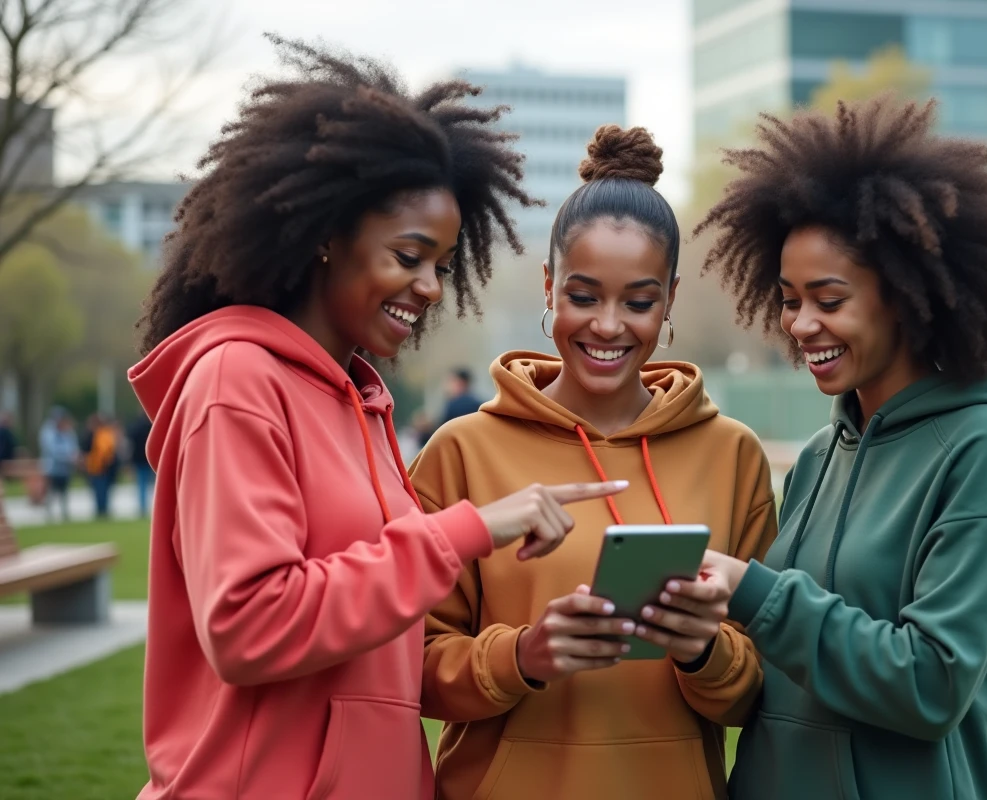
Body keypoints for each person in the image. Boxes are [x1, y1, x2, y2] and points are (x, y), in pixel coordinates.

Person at [126, 36, 627, 800]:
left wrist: (526, 649)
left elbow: (379, 664)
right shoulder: (236, 381)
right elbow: (249, 626)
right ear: (328, 236)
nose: (429, 287)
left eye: (442, 265)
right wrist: (466, 530)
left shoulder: (361, 400)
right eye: (409, 255)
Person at [692, 95, 987, 800]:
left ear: (904, 294)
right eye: (788, 298)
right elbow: (786, 671)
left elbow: (931, 684)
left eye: (828, 300)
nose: (800, 325)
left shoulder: (986, 445)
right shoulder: (815, 459)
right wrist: (705, 637)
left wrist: (755, 590)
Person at [413, 126, 778, 800]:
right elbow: (410, 673)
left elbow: (760, 695)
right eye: (584, 296)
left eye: (638, 302)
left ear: (669, 300)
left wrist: (703, 649)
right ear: (550, 288)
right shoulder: (460, 452)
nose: (609, 326)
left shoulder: (734, 455)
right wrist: (523, 656)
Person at [38, 407, 78, 522]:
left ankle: (64, 514)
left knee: (64, 492)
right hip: (52, 468)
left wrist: (73, 456)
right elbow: (51, 449)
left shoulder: (67, 430)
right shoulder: (47, 431)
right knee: (51, 491)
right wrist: (67, 457)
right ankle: (49, 515)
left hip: (65, 468)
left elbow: (72, 446)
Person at [81, 413, 120, 519]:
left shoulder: (99, 434)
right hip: (101, 466)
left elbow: (103, 452)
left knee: (100, 490)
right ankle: (102, 510)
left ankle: (101, 510)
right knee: (102, 490)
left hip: (98, 467)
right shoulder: (106, 433)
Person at [126, 411, 154, 517]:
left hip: (138, 460)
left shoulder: (135, 428)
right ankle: (155, 506)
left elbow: (130, 446)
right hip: (150, 459)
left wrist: (130, 461)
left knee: (141, 485)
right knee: (154, 484)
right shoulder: (151, 426)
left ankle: (142, 508)